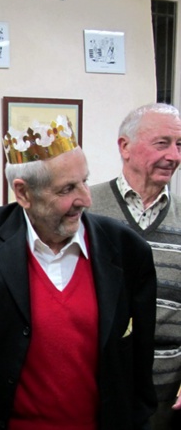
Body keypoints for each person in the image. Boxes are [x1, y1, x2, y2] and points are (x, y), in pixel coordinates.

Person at [0, 118, 157, 430]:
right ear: (23, 194)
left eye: (85, 181)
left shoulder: (125, 248)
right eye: (68, 189)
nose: (86, 199)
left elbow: (139, 364)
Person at [89, 103, 181, 429]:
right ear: (124, 147)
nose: (174, 156)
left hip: (165, 395)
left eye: (179, 145)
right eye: (162, 143)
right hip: (93, 386)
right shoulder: (84, 208)